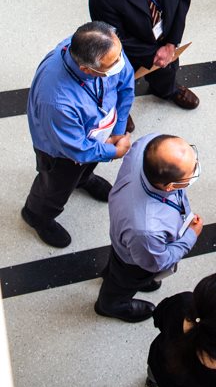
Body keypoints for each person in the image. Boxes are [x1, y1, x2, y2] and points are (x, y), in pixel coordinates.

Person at [23, 21, 134, 248]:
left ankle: (83, 179)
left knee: (86, 165)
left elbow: (126, 85)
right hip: (61, 152)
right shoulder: (56, 100)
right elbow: (76, 148)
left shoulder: (108, 50)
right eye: (113, 63)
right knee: (54, 186)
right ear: (87, 70)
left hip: (98, 134)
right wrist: (114, 151)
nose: (121, 64)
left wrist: (119, 130)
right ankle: (37, 214)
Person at [95, 133, 203, 323]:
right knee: (124, 280)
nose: (196, 168)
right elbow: (155, 262)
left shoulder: (147, 146)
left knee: (116, 266)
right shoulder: (146, 230)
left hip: (126, 239)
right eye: (190, 173)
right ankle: (111, 305)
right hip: (135, 262)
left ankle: (112, 276)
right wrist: (190, 237)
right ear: (169, 186)